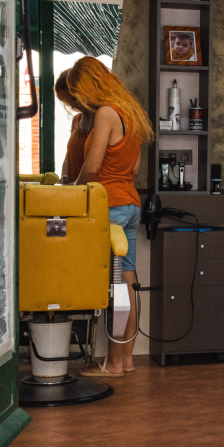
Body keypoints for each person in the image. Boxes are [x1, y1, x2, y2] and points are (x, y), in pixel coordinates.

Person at [66, 56, 153, 376]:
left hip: (108, 207)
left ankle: (114, 363)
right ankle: (126, 359)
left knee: (114, 285)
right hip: (130, 203)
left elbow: (91, 166)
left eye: (80, 92)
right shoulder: (132, 113)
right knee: (128, 282)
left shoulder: (105, 113)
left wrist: (74, 192)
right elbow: (132, 168)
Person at [54, 70, 93, 185]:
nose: (72, 105)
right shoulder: (76, 120)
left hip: (89, 189)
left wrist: (78, 184)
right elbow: (69, 155)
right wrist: (64, 177)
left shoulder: (99, 119)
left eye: (73, 99)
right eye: (68, 101)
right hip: (74, 188)